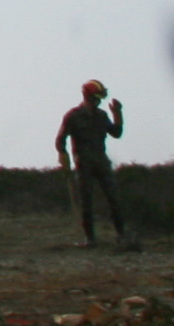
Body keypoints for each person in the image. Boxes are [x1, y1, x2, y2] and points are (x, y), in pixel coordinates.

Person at [56, 83, 131, 247]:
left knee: (114, 198)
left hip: (102, 161)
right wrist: (63, 155)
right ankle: (90, 239)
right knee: (86, 201)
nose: (99, 101)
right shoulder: (73, 116)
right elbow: (60, 139)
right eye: (97, 97)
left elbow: (117, 133)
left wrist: (117, 114)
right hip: (84, 164)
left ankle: (121, 234)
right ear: (88, 96)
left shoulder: (102, 116)